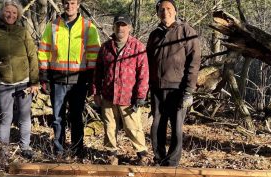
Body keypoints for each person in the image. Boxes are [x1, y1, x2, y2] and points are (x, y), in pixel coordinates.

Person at [38, 0, 100, 158]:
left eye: (73, 3)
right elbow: (44, 50)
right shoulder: (52, 26)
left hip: (79, 81)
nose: (69, 6)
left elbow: (94, 54)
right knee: (58, 118)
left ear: (78, 5)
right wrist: (44, 75)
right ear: (62, 5)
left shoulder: (88, 26)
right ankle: (59, 150)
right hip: (57, 80)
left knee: (76, 117)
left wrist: (92, 77)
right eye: (66, 3)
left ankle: (78, 150)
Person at [147, 0, 201, 166]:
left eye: (169, 9)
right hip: (157, 88)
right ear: (157, 13)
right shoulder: (154, 34)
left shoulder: (186, 31)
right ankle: (158, 158)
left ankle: (172, 162)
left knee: (176, 127)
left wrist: (189, 91)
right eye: (161, 9)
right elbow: (147, 62)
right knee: (157, 126)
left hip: (178, 89)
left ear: (175, 11)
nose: (165, 12)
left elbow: (195, 62)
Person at [0, 0, 39, 162]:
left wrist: (34, 81)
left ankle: (25, 147)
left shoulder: (23, 32)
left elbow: (32, 57)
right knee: (6, 117)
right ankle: (4, 149)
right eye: (8, 12)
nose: (11, 15)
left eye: (14, 13)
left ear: (19, 15)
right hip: (3, 83)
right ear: (2, 13)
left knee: (24, 116)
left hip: (24, 81)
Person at [93, 14, 149, 165]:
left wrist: (140, 96)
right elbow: (98, 72)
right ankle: (111, 154)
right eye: (118, 25)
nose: (120, 28)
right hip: (108, 96)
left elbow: (143, 74)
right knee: (109, 127)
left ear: (129, 27)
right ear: (113, 26)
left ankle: (142, 155)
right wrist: (96, 92)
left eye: (124, 25)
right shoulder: (105, 47)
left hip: (129, 98)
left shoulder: (138, 47)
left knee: (133, 127)